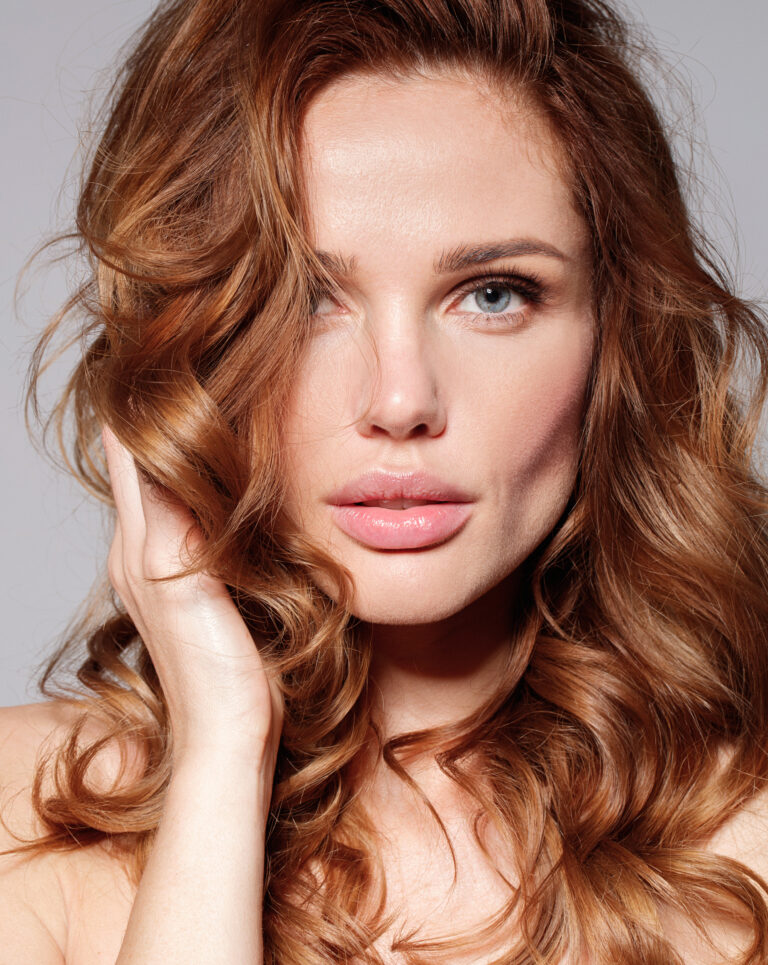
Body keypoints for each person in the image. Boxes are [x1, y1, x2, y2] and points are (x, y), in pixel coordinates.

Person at [2, 0, 768, 961]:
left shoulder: (744, 850)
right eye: (309, 299)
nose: (401, 399)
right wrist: (222, 750)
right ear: (190, 347)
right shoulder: (22, 820)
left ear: (617, 339)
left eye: (493, 294)